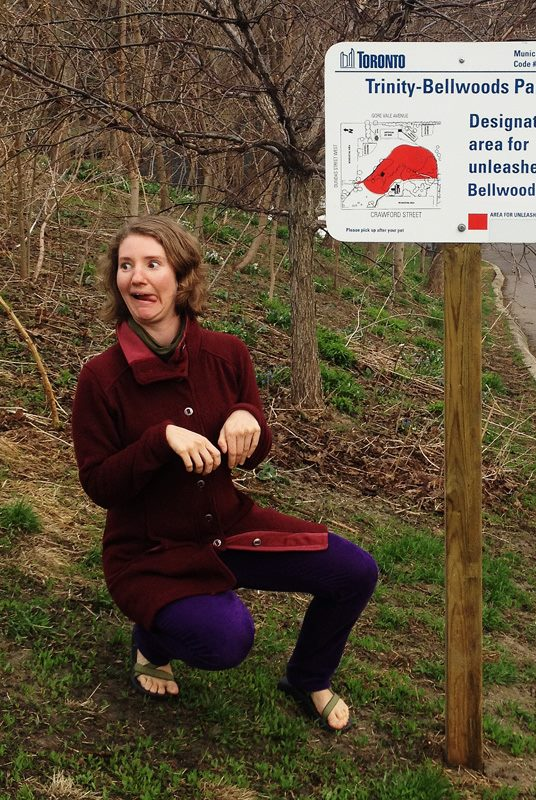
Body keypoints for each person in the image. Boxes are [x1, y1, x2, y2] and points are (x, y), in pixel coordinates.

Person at [71, 215, 378, 732]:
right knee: (224, 641)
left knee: (355, 572)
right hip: (151, 551)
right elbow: (100, 484)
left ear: (183, 278)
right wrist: (158, 439)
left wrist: (248, 417)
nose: (137, 277)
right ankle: (152, 639)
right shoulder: (101, 378)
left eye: (153, 264)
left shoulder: (227, 353)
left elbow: (255, 454)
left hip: (230, 528)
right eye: (126, 266)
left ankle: (308, 676)